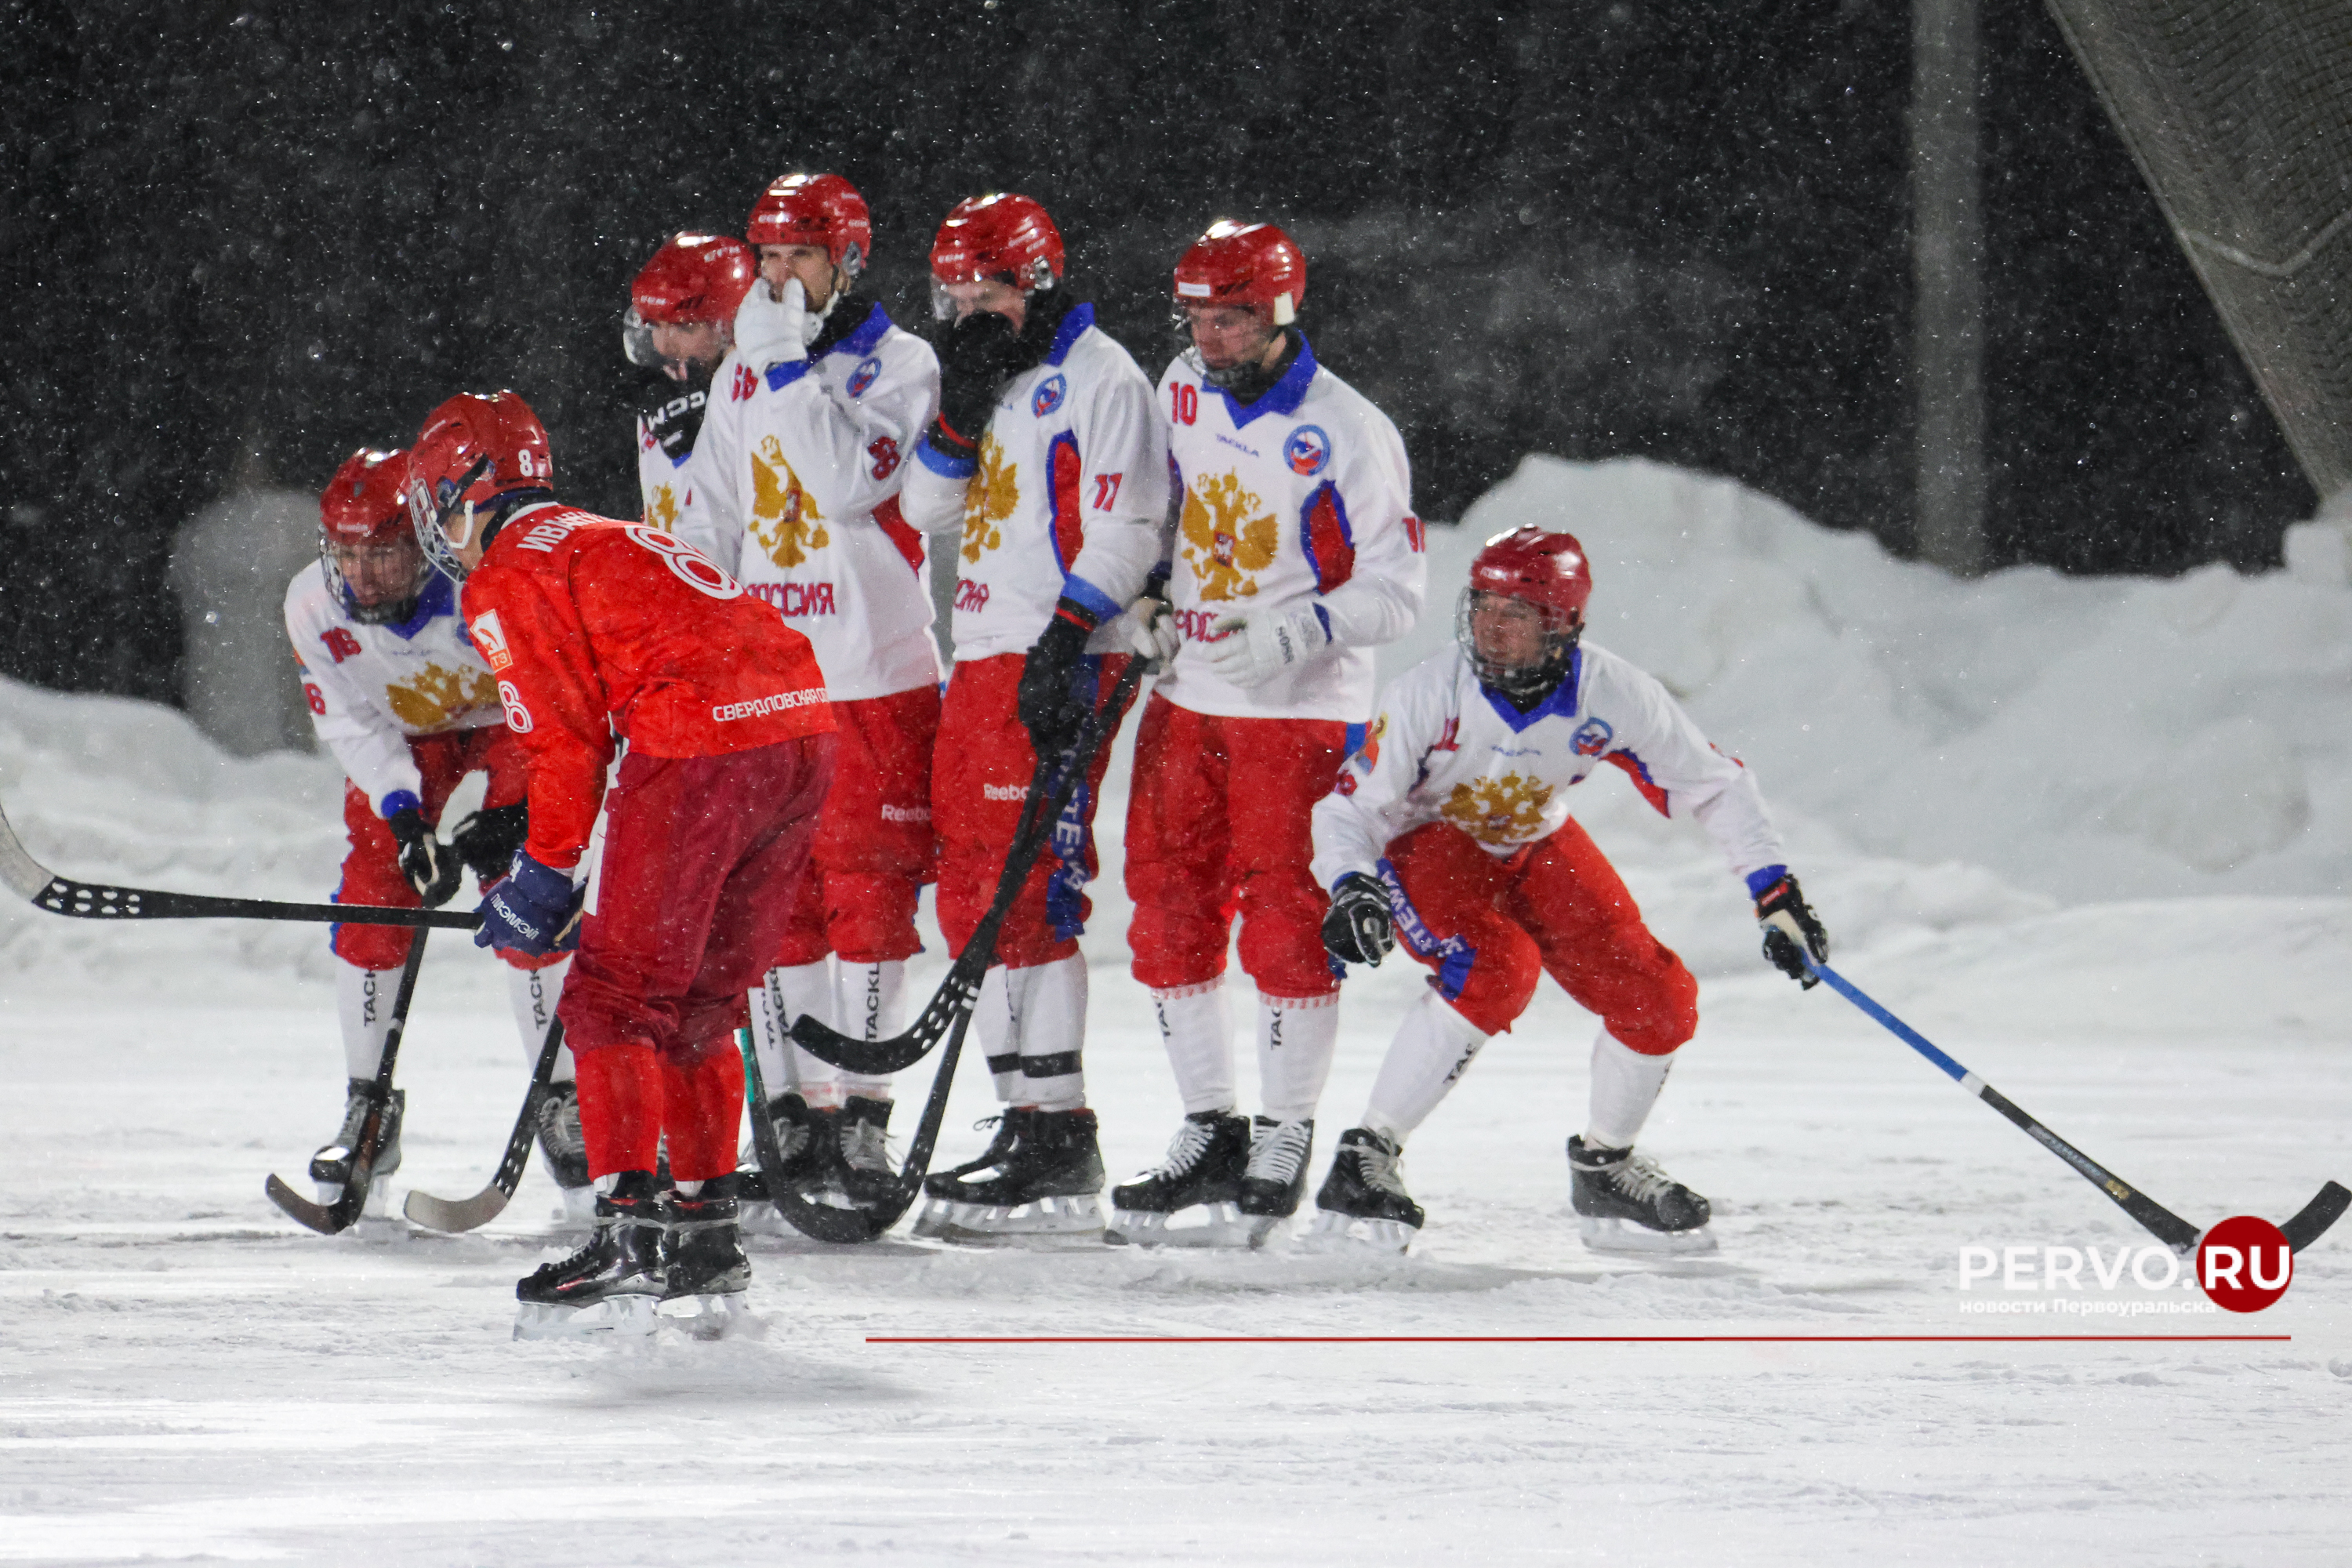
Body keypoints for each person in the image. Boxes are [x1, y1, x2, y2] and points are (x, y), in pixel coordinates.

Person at [405, 390, 835, 1336]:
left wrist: (547, 872)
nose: (437, 526)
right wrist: (546, 855)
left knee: (611, 998)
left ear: (468, 490)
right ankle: (707, 1230)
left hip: (705, 744)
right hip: (803, 727)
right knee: (700, 1001)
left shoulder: (508, 574)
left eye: (438, 500)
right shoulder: (602, 532)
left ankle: (630, 1230)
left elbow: (567, 747)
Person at [1305, 526, 1831, 1254]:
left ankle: (1605, 1166)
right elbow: (1347, 807)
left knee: (1658, 996)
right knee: (1496, 966)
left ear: (1564, 627)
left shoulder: (1614, 692)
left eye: (1515, 614)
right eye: (1482, 606)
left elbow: (1714, 784)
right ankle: (1365, 1157)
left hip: (1532, 838)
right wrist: (1351, 885)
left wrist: (1775, 891)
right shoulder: (1430, 691)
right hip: (1426, 840)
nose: (1491, 628)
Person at [1114, 220, 1427, 1246]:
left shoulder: (1348, 429)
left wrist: (1302, 624)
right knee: (1164, 909)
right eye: (1199, 315)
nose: (1212, 337)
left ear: (1283, 312)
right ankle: (1211, 1126)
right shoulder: (1180, 388)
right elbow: (1171, 512)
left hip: (1297, 710)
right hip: (1190, 696)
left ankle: (1286, 1130)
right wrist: (1155, 592)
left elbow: (1400, 590)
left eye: (1235, 317)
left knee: (1286, 921)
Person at [895, 191, 1173, 1243]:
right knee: (967, 894)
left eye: (990, 290)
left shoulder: (1102, 376)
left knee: (1032, 889)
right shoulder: (992, 374)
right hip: (981, 650)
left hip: (1053, 655)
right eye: (955, 291)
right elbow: (924, 509)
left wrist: (1069, 638)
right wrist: (960, 413)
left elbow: (1133, 523)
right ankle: (1023, 1118)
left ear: (1038, 282)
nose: (970, 308)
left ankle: (1059, 1131)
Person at [676, 172, 941, 1210]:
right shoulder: (746, 367)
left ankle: (866, 1123)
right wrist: (702, 634)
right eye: (767, 259)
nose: (778, 280)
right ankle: (797, 1116)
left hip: (874, 674)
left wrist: (783, 363)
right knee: (777, 910)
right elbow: (710, 511)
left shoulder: (905, 365)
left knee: (870, 901)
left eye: (799, 258)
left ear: (848, 261)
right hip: (772, 683)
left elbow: (844, 481)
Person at [285, 445, 584, 1219]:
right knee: (374, 888)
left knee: (528, 888)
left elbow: (554, 704)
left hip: (511, 721)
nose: (362, 573)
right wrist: (407, 815)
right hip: (410, 734)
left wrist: (508, 818)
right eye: (346, 552)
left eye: (381, 551)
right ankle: (367, 1106)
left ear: (420, 539)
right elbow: (352, 723)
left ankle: (566, 1098)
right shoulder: (312, 607)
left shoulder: (486, 580)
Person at [621, 230, 757, 529]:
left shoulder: (769, 394)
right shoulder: (664, 391)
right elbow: (662, 515)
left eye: (685, 328)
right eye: (655, 324)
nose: (663, 345)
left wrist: (695, 454)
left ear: (731, 327)